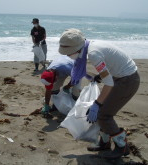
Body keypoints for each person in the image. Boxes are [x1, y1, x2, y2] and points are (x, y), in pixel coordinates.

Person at [58, 29, 140, 159]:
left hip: (127, 81)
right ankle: (105, 143)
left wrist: (96, 104)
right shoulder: (90, 45)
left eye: (69, 53)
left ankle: (122, 147)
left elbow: (109, 84)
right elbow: (109, 68)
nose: (68, 56)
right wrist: (99, 77)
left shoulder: (93, 54)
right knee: (101, 111)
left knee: (103, 114)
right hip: (119, 77)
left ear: (77, 49)